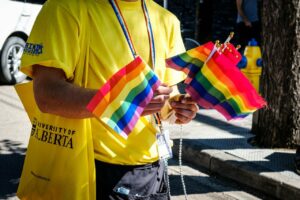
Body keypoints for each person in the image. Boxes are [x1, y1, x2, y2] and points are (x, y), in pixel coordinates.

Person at [20, 0, 198, 199]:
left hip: (154, 170)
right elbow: (47, 94)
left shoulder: (166, 19)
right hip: (92, 170)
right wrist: (124, 103)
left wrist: (176, 108)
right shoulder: (65, 7)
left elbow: (167, 93)